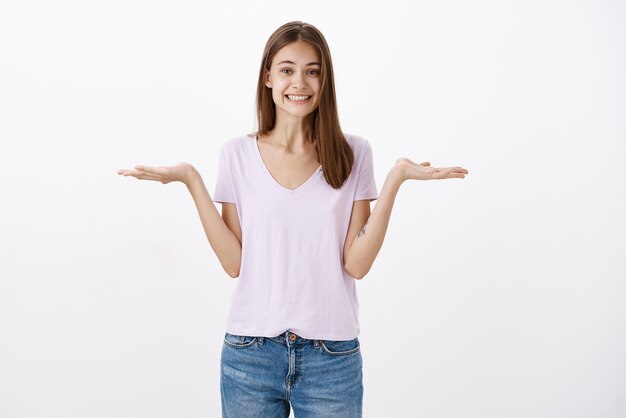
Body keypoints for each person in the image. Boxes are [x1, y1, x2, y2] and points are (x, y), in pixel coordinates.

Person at [118, 20, 468, 418]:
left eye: (311, 71)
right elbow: (235, 263)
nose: (299, 82)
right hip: (250, 355)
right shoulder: (236, 154)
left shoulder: (354, 153)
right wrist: (190, 180)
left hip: (331, 359)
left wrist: (396, 179)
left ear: (324, 80)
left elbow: (357, 263)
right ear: (268, 77)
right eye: (287, 70)